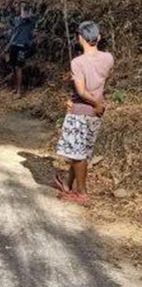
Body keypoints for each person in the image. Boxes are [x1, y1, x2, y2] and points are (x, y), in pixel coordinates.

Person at [54, 21, 114, 204]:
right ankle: (67, 183)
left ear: (80, 39)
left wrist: (95, 103)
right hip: (95, 114)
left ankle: (81, 193)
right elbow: (104, 78)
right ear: (99, 38)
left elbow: (81, 91)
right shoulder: (108, 58)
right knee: (82, 151)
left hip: (81, 110)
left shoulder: (77, 62)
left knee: (78, 154)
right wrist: (99, 102)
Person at [7, 2, 37, 96]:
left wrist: (30, 14)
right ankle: (16, 88)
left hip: (22, 46)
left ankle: (19, 91)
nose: (24, 12)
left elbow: (34, 18)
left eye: (26, 9)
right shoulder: (17, 20)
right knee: (13, 67)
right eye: (23, 9)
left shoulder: (31, 21)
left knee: (18, 67)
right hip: (14, 45)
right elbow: (13, 23)